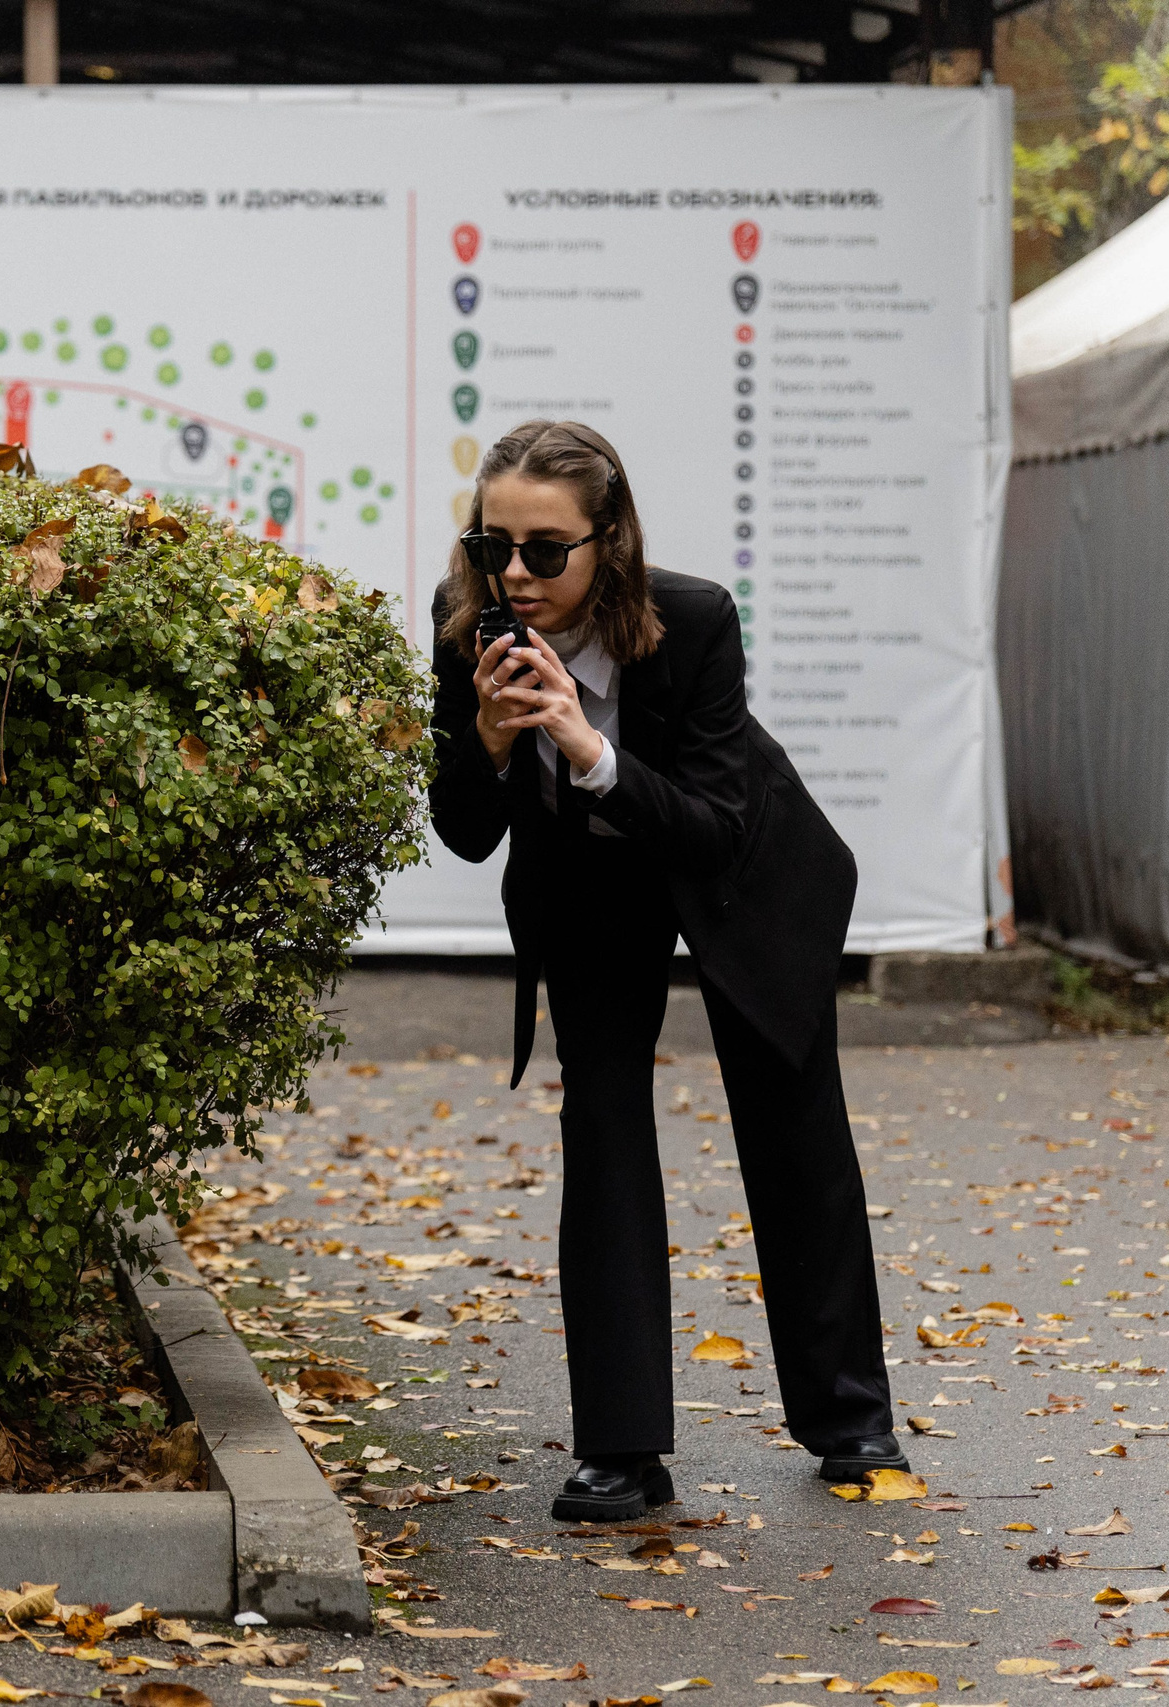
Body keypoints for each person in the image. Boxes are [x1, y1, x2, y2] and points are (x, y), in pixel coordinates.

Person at [426, 418, 902, 1522]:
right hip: (589, 886)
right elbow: (461, 831)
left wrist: (587, 751)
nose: (513, 573)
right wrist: (493, 743)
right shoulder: (468, 632)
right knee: (599, 1125)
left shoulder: (688, 621)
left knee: (791, 1125)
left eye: (546, 550)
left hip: (739, 869)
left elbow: (715, 830)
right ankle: (622, 1451)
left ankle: (849, 1423)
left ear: (609, 543)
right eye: (490, 544)